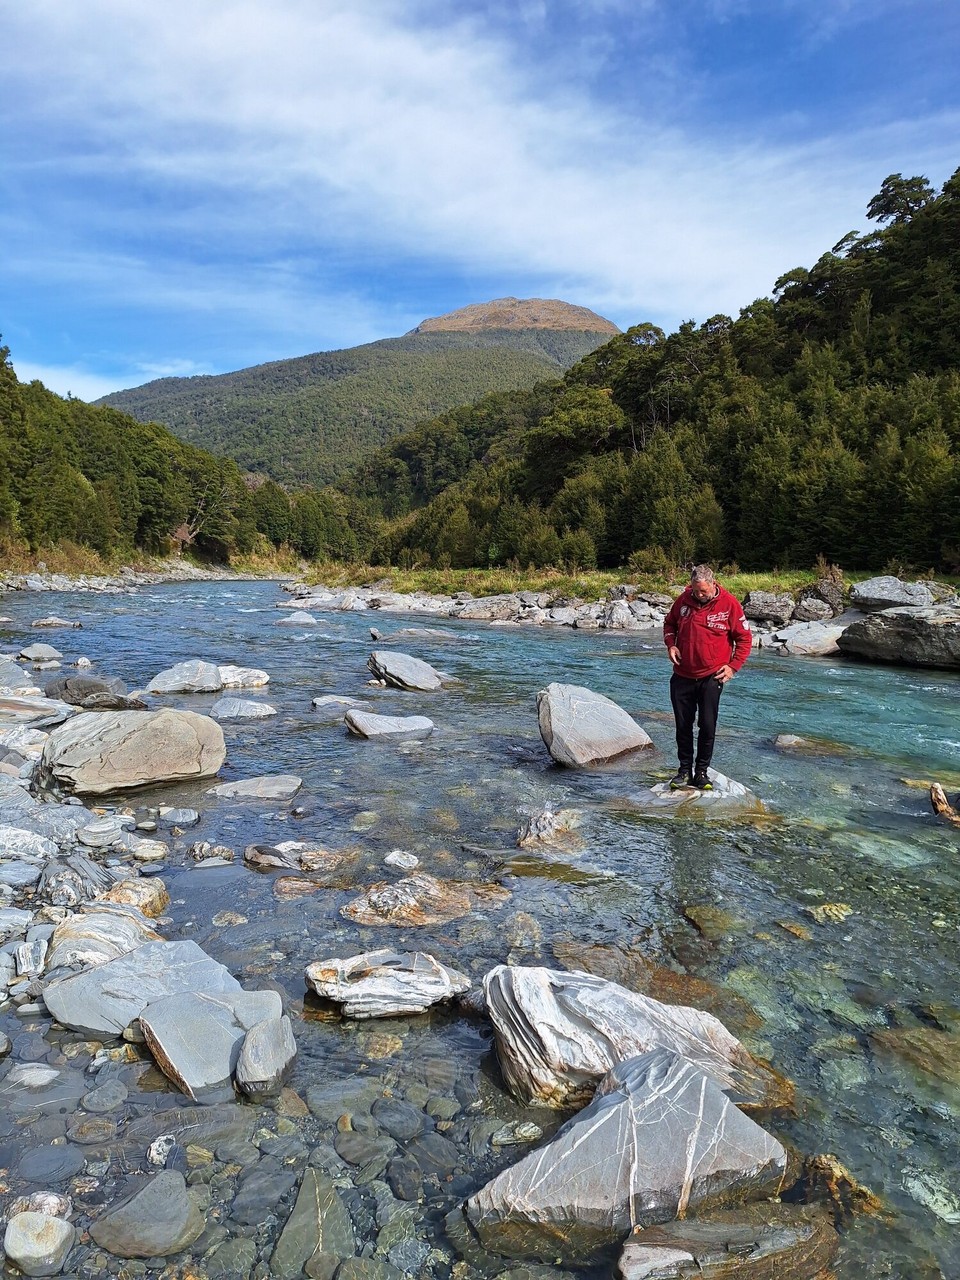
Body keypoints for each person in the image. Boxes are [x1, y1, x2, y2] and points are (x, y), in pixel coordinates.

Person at [662, 565, 752, 790]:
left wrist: (733, 667)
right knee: (683, 725)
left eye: (703, 591)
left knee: (707, 725)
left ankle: (702, 772)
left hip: (712, 676)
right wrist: (671, 645)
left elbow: (744, 638)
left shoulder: (729, 604)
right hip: (682, 675)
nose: (699, 595)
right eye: (696, 590)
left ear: (713, 584)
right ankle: (684, 771)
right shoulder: (683, 600)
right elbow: (669, 624)